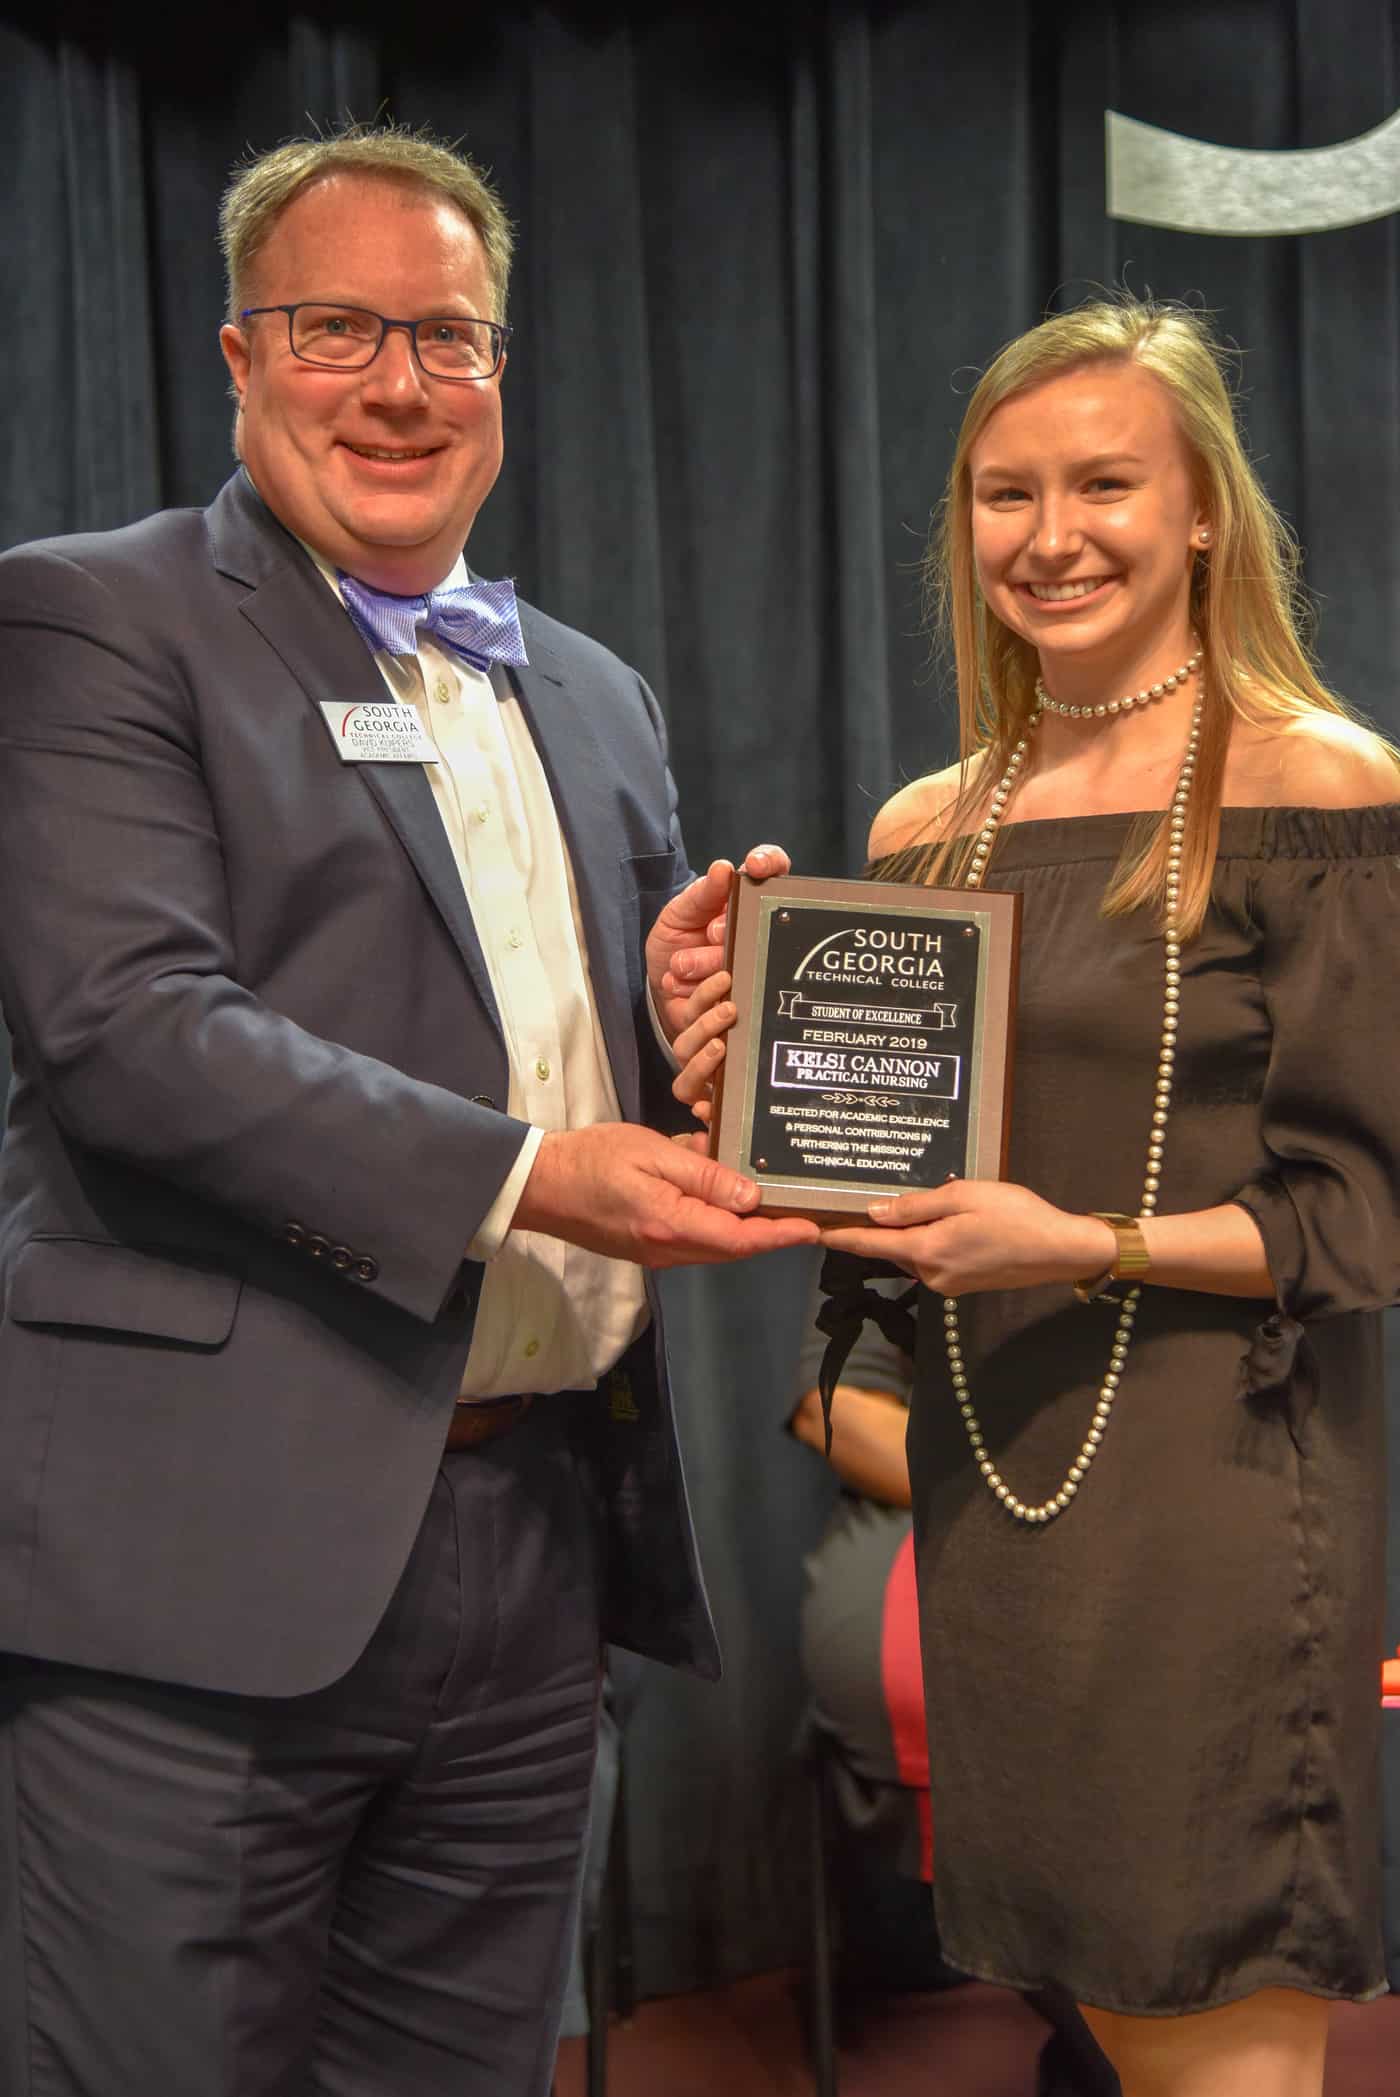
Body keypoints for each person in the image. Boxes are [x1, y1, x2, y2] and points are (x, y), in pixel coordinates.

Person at [0, 123, 816, 2096]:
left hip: (534, 1534)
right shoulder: (89, 617)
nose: (394, 383)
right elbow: (127, 1026)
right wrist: (541, 1166)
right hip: (203, 1548)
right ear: (236, 354)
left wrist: (698, 1020)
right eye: (337, 327)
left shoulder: (596, 694)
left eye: (444, 337)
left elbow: (574, 1048)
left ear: (502, 375)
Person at [672, 296, 1400, 2097]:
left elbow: (1365, 1212)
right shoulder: (939, 827)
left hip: (1214, 1512)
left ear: (1205, 509)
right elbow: (880, 1170)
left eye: (1103, 484)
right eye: (1006, 492)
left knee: (1218, 2031)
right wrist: (734, 1060)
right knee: (1095, 2024)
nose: (1051, 534)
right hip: (1000, 1501)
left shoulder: (1322, 782)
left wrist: (1078, 1243)